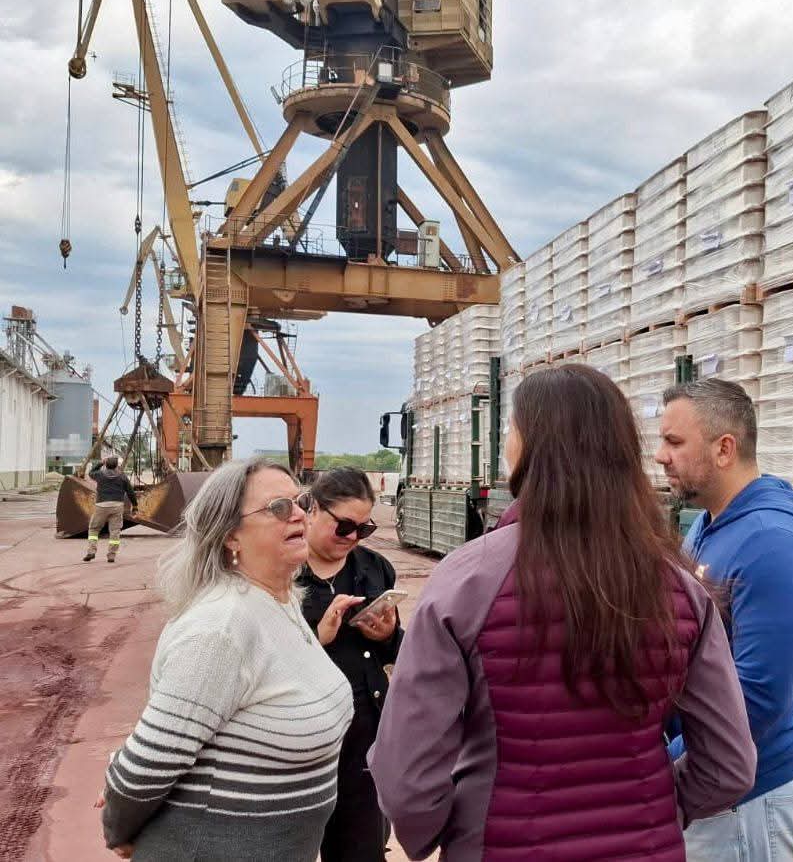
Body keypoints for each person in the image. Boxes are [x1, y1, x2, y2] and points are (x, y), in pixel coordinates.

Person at [369, 364, 756, 861]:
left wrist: (451, 831)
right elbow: (730, 766)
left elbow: (407, 776)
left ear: (529, 446)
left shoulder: (466, 581)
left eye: (511, 429)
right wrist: (658, 809)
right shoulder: (681, 587)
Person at [98, 458, 354, 861]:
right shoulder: (221, 628)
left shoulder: (281, 602)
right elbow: (144, 769)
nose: (300, 515)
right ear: (231, 535)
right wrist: (121, 834)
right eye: (278, 508)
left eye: (301, 501)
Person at [656, 378, 793, 862]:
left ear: (724, 448)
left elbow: (761, 697)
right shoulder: (709, 525)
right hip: (715, 789)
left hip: (747, 801)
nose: (660, 456)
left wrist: (670, 772)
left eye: (674, 442)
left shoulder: (772, 543)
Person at [296, 466, 402, 862]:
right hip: (297, 745)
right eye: (343, 527)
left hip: (362, 744)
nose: (353, 538)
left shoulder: (374, 569)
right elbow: (255, 655)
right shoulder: (281, 571)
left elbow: (394, 655)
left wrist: (387, 636)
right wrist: (315, 636)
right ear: (311, 509)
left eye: (363, 529)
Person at [85, 456, 137, 562]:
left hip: (101, 506)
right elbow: (130, 492)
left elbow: (91, 472)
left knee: (94, 529)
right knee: (115, 531)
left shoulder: (99, 475)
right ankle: (111, 555)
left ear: (106, 464)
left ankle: (91, 551)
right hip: (117, 506)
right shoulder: (122, 476)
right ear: (116, 465)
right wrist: (135, 505)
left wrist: (100, 463)